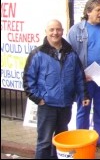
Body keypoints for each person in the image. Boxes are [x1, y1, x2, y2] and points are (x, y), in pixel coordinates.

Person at [23, 19, 90, 159]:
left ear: (62, 31)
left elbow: (78, 76)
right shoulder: (37, 54)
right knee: (44, 142)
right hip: (47, 106)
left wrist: (83, 95)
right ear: (46, 32)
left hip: (65, 105)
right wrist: (38, 99)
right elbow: (28, 80)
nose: (55, 33)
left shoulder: (71, 53)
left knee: (61, 142)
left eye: (58, 29)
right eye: (52, 30)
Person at [67, 0, 100, 151]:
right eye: (98, 10)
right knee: (84, 109)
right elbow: (70, 55)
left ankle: (99, 139)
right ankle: (82, 140)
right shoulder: (76, 30)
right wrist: (79, 75)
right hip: (85, 79)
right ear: (88, 12)